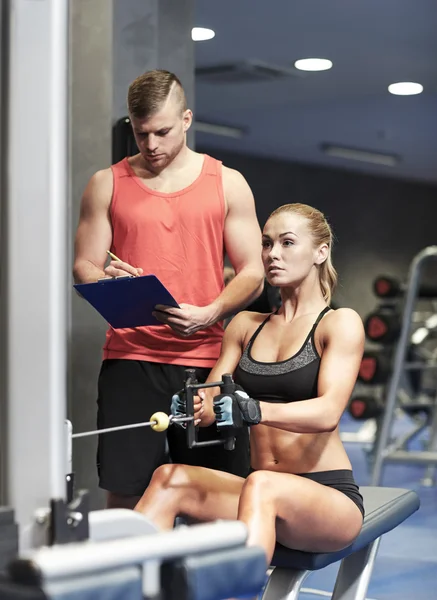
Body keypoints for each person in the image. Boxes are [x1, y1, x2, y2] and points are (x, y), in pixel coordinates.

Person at [72, 69, 264, 510]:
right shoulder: (107, 183)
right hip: (130, 360)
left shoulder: (227, 182)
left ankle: (205, 581)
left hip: (207, 363)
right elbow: (84, 265)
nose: (152, 145)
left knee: (214, 492)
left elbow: (253, 271)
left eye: (162, 131)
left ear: (187, 119)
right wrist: (107, 278)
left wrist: (213, 311)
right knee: (125, 490)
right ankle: (133, 580)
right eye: (142, 134)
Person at [134, 203, 365, 567]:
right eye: (267, 243)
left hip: (327, 497)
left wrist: (254, 410)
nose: (273, 253)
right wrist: (193, 408)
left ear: (321, 252)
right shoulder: (245, 324)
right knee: (169, 477)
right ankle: (127, 588)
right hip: (258, 488)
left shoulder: (338, 323)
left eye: (287, 243)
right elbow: (209, 402)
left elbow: (327, 412)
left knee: (263, 484)